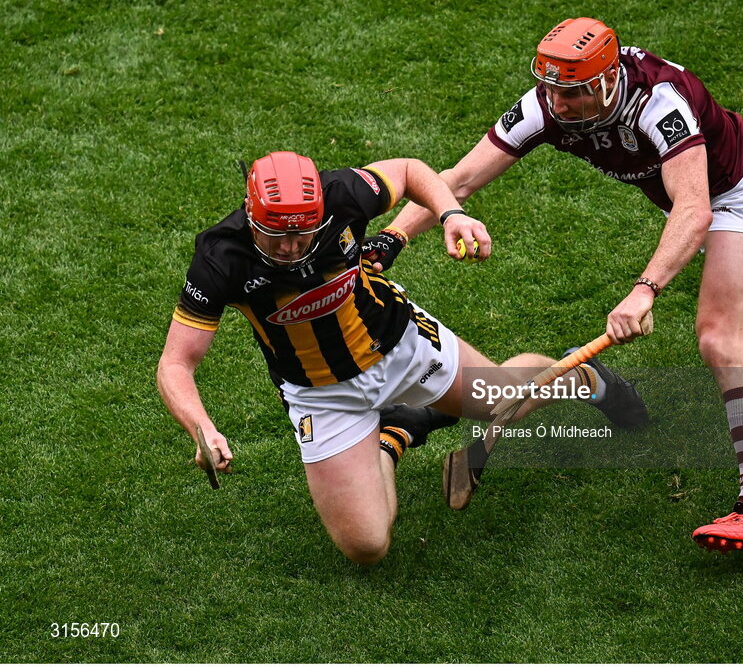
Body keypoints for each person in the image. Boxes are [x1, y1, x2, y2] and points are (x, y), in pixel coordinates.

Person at [369, 18, 743, 559]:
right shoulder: (546, 103)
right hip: (702, 196)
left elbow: (695, 209)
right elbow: (461, 178)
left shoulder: (660, 103)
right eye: (550, 90)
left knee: (721, 339)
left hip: (733, 188)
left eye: (570, 94)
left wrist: (645, 290)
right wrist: (392, 237)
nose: (557, 105)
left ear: (607, 80)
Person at [156, 150, 646, 565]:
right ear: (250, 211)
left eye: (302, 235)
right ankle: (397, 432)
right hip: (322, 396)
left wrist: (451, 215)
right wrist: (202, 427)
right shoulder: (221, 257)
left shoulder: (343, 193)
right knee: (367, 546)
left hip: (401, 347)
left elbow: (411, 171)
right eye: (274, 236)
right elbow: (176, 364)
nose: (289, 249)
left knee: (505, 400)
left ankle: (585, 377)